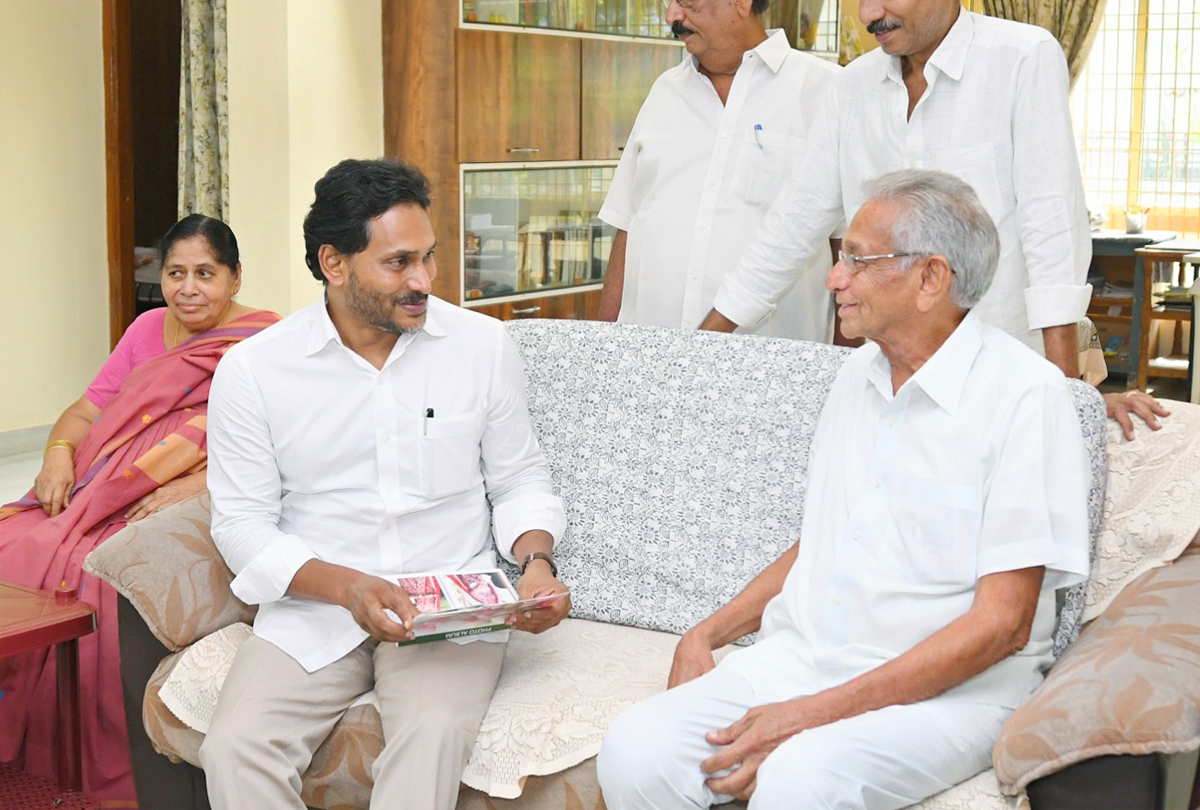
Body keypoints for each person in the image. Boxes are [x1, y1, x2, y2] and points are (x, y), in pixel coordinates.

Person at [597, 169, 1091, 809]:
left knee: (801, 777)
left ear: (930, 279)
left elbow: (1004, 625)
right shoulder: (855, 375)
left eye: (858, 260)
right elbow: (824, 542)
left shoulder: (1027, 396)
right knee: (636, 747)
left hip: (951, 695)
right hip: (802, 659)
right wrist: (706, 633)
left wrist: (808, 714)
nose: (835, 278)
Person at [698, 0, 1166, 437]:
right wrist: (698, 349)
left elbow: (1051, 228)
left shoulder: (1021, 58)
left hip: (1001, 372)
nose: (868, 12)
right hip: (889, 375)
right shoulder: (852, 88)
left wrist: (1066, 398)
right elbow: (791, 225)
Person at [199, 158, 571, 810]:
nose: (423, 280)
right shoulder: (255, 371)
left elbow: (519, 479)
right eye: (399, 263)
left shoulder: (482, 347)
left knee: (429, 737)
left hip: (448, 607)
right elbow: (240, 525)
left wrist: (535, 563)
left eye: (427, 258)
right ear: (335, 263)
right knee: (233, 747)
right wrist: (346, 587)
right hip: (316, 607)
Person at [0, 214, 278, 804]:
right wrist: (56, 454)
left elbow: (279, 447)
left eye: (206, 273)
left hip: (178, 498)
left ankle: (77, 749)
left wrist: (196, 486)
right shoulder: (148, 328)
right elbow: (85, 410)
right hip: (99, 489)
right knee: (16, 543)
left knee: (92, 573)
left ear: (234, 279)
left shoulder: (263, 343)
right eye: (175, 273)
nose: (188, 288)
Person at [597, 0, 839, 340]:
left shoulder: (825, 91)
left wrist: (846, 366)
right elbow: (629, 225)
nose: (673, 14)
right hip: (653, 363)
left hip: (771, 370)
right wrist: (602, 347)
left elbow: (850, 247)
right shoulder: (664, 92)